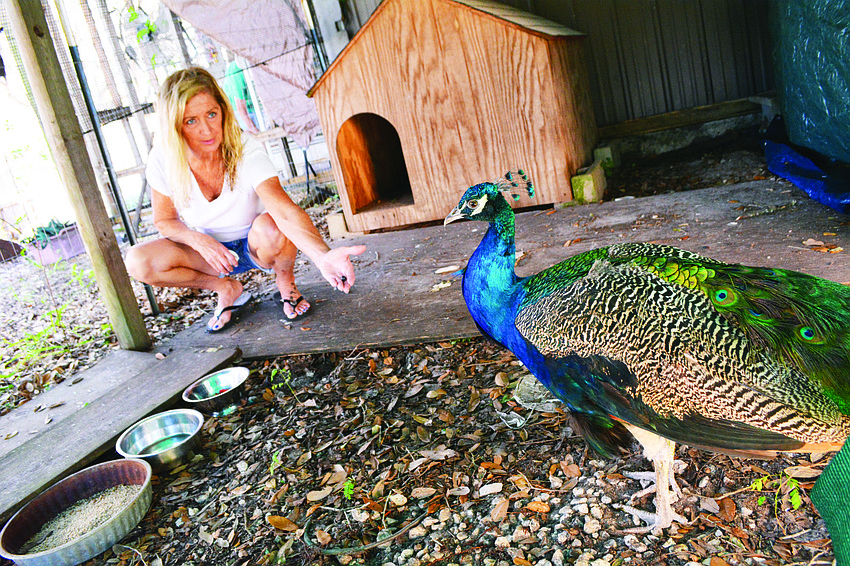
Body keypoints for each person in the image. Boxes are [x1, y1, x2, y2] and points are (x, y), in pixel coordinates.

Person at [125, 67, 365, 332]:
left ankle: (286, 283)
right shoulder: (163, 158)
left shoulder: (244, 148)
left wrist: (323, 257)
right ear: (175, 126)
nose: (207, 130)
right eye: (190, 121)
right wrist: (199, 240)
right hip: (212, 254)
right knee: (138, 261)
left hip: (259, 244)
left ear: (223, 111)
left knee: (273, 224)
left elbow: (283, 210)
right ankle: (225, 289)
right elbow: (165, 220)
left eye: (211, 114)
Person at [221, 51, 259, 135]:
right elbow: (240, 107)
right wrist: (254, 130)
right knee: (254, 134)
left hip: (252, 104)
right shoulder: (236, 73)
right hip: (238, 110)